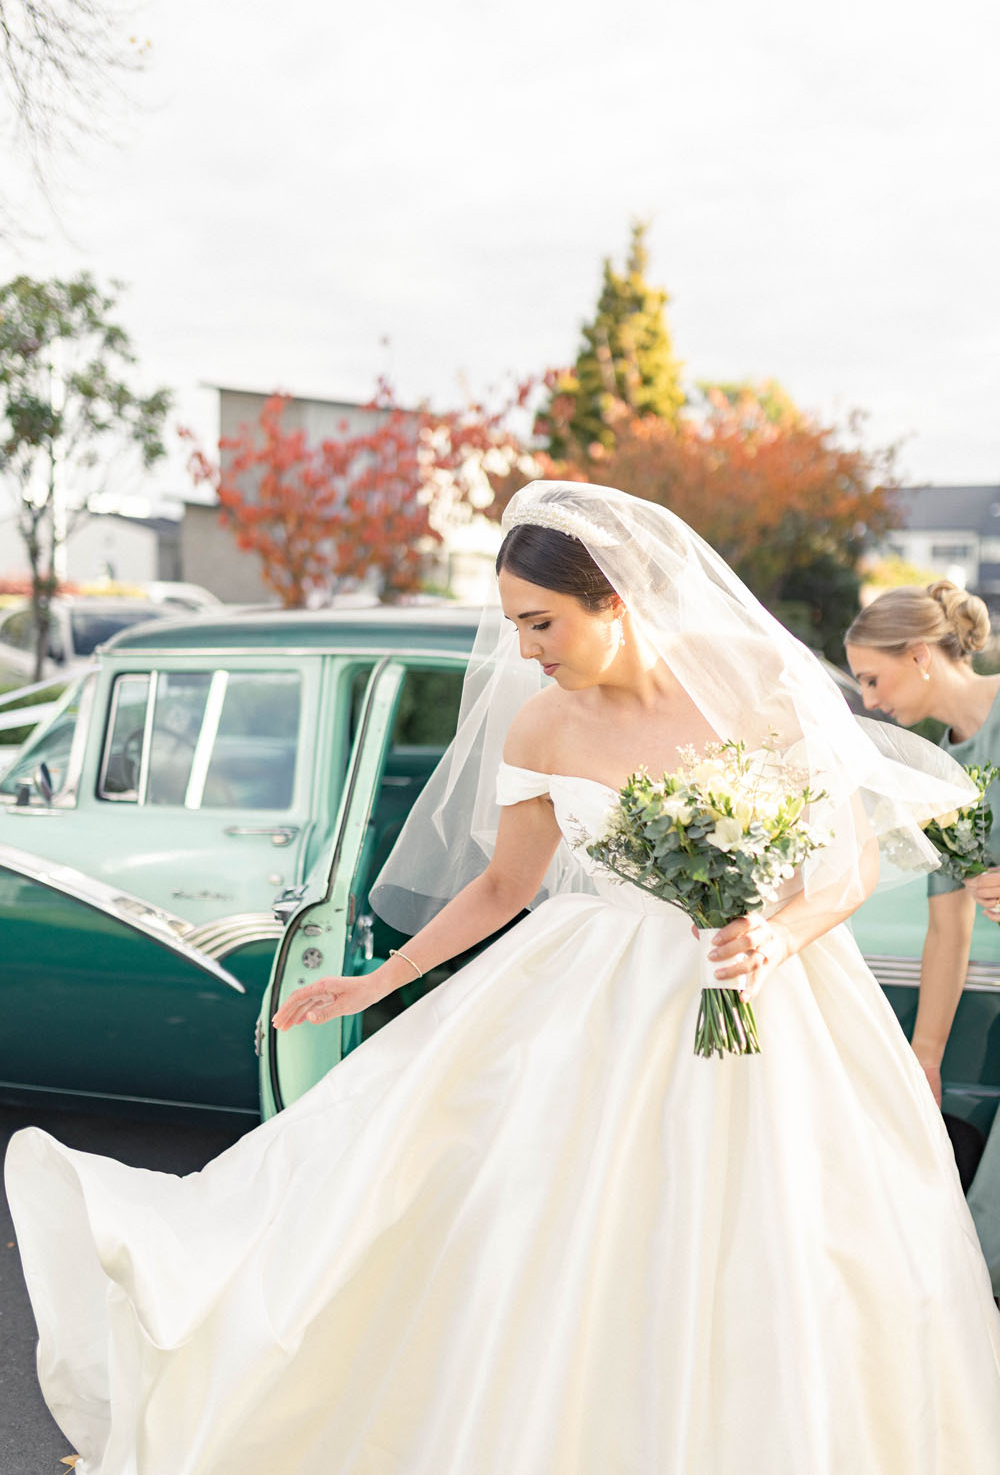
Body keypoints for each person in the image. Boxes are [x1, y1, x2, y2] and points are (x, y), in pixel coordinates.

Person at [7, 482, 1000, 1475]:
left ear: (618, 596)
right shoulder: (541, 729)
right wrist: (378, 980)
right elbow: (502, 886)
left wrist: (779, 935)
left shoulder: (759, 685)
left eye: (542, 621)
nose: (527, 649)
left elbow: (850, 866)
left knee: (786, 1244)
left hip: (774, 1002)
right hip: (593, 1001)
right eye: (514, 626)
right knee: (520, 1226)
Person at [846, 579, 1000, 1290]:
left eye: (873, 679)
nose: (872, 702)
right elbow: (949, 924)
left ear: (919, 656)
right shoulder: (940, 768)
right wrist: (925, 1058)